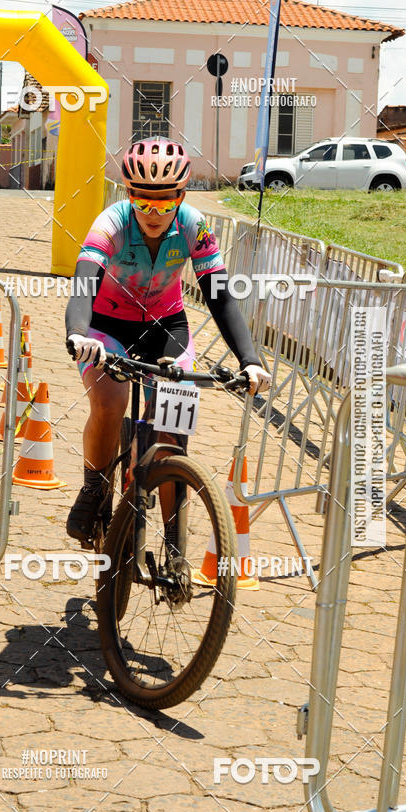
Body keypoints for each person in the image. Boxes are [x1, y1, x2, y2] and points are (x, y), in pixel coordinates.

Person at [65, 135, 271, 547]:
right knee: (111, 402)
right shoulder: (111, 222)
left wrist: (250, 359)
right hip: (106, 327)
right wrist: (78, 333)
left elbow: (219, 295)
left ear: (182, 194)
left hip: (166, 326)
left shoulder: (194, 226)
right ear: (128, 194)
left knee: (174, 425)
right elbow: (84, 283)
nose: (153, 213)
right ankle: (94, 488)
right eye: (143, 202)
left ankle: (175, 539)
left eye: (164, 202)